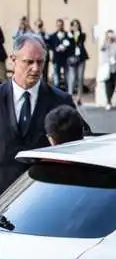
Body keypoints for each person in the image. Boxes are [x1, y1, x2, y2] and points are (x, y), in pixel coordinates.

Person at [0, 34, 89, 193]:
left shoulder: (60, 100)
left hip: (44, 197)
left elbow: (82, 141)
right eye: (29, 62)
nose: (35, 68)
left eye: (40, 62)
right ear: (13, 60)